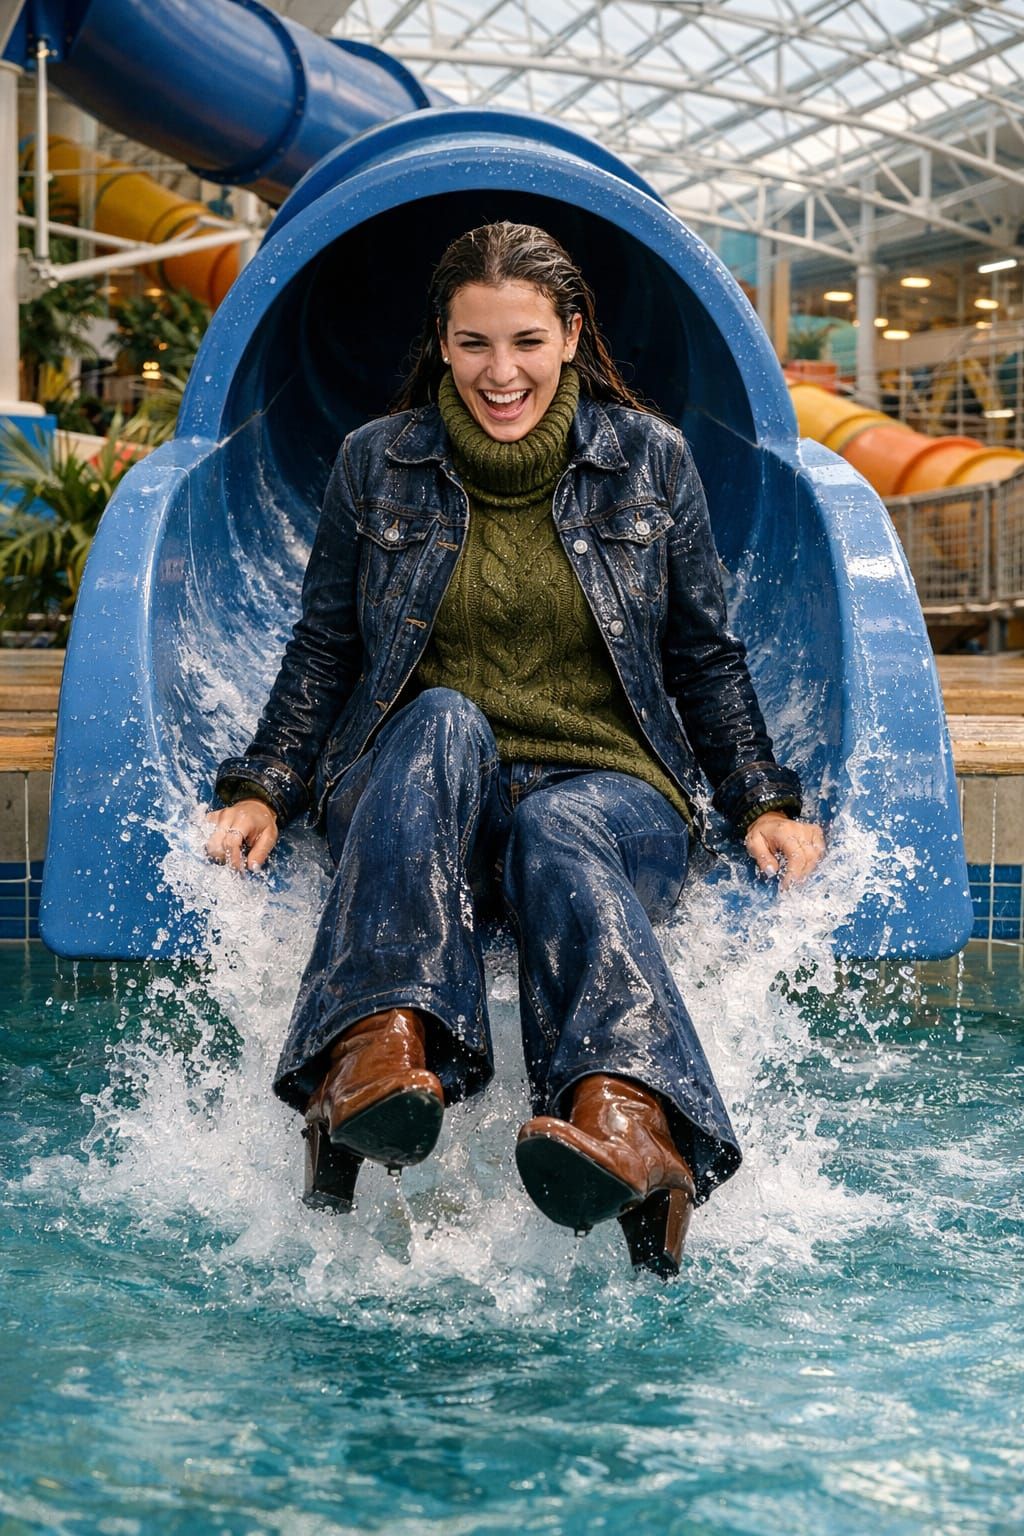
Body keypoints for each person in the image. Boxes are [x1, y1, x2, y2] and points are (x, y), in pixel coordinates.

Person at [206, 221, 825, 1278]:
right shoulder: (375, 461)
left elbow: (703, 655)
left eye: (528, 341)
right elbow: (324, 646)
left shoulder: (650, 459)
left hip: (608, 791)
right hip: (418, 786)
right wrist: (265, 785)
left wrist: (759, 799)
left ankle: (631, 1125)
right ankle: (373, 1058)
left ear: (572, 335)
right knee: (445, 715)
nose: (502, 373)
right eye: (475, 343)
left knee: (559, 821)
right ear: (442, 344)